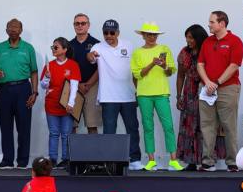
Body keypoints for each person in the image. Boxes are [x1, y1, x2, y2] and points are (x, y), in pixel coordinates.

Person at [88, 19, 143, 170]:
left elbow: (135, 71)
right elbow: (90, 57)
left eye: (112, 32)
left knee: (132, 128)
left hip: (128, 96)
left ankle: (135, 159)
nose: (109, 35)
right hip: (108, 97)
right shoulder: (97, 47)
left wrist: (137, 92)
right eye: (106, 32)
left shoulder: (129, 45)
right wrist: (91, 56)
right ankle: (109, 160)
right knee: (109, 130)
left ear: (118, 32)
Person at [130, 22, 183, 171]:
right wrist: (152, 64)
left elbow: (170, 71)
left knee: (168, 127)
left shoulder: (164, 49)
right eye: (149, 34)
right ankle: (151, 160)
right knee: (148, 127)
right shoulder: (137, 53)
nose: (152, 37)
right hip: (144, 94)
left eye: (154, 34)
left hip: (161, 92)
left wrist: (164, 66)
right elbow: (138, 74)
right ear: (143, 36)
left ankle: (173, 160)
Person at [197, 11, 243, 172]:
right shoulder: (207, 42)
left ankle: (232, 162)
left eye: (212, 22)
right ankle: (207, 162)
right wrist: (207, 82)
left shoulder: (235, 41)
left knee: (229, 125)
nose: (209, 25)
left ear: (222, 23)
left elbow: (234, 65)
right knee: (207, 125)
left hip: (228, 88)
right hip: (207, 88)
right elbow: (200, 64)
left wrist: (217, 82)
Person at [0, 18, 38, 169]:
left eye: (16, 27)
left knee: (24, 127)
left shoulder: (28, 48)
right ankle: (7, 160)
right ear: (6, 30)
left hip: (23, 89)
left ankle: (23, 161)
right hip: (4, 90)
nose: (12, 29)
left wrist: (35, 92)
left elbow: (34, 72)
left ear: (21, 30)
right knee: (6, 126)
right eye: (10, 27)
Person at [39, 38, 81, 168]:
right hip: (51, 105)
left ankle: (65, 159)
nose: (53, 50)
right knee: (54, 133)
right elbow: (43, 86)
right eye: (53, 47)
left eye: (56, 47)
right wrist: (47, 76)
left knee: (66, 133)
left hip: (66, 106)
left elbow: (74, 86)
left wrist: (71, 103)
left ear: (65, 49)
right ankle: (52, 159)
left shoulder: (73, 65)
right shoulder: (49, 65)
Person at [175, 24, 208, 171]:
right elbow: (180, 75)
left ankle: (206, 160)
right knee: (189, 127)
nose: (188, 40)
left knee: (204, 126)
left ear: (198, 38)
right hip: (189, 92)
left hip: (205, 91)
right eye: (186, 37)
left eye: (191, 37)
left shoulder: (207, 51)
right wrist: (179, 96)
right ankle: (191, 161)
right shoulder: (184, 53)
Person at [68, 13, 102, 134]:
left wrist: (88, 84)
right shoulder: (68, 45)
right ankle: (72, 153)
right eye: (77, 23)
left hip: (92, 87)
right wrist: (77, 85)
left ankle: (93, 153)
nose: (80, 26)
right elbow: (67, 69)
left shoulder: (97, 44)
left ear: (88, 25)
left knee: (92, 124)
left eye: (83, 23)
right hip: (73, 88)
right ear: (74, 25)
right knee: (71, 125)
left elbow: (101, 68)